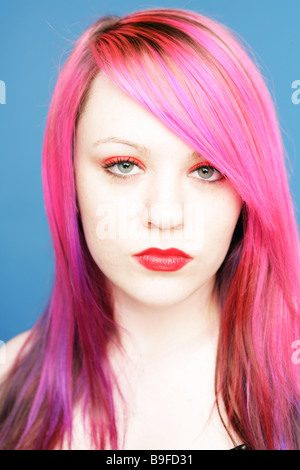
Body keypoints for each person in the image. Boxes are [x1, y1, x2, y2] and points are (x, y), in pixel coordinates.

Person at [0, 8, 299, 450]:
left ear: (248, 191)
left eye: (207, 170)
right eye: (124, 165)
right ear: (70, 176)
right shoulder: (7, 381)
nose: (165, 215)